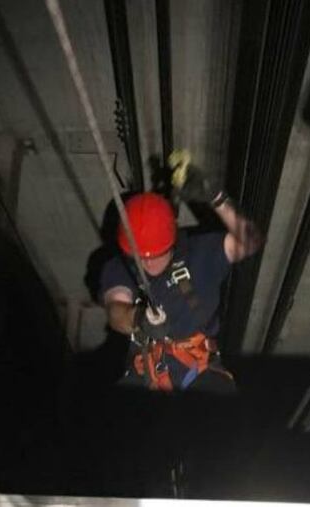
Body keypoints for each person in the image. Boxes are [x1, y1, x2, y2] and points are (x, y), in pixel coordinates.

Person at [98, 157, 263, 392]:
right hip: (146, 373)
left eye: (156, 254)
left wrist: (216, 197)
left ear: (172, 242)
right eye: (140, 256)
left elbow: (250, 241)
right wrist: (139, 319)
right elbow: (116, 310)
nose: (147, 262)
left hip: (200, 372)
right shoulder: (120, 267)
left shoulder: (199, 253)